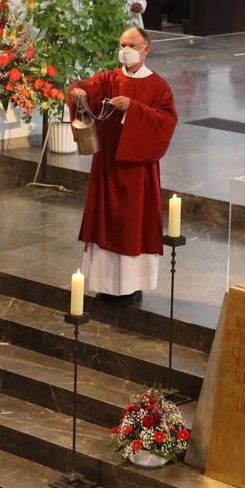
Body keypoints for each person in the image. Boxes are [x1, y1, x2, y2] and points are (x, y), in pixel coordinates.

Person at [68, 27, 178, 304]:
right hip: (107, 166)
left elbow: (166, 122)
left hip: (137, 171)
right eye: (122, 45)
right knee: (105, 223)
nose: (125, 50)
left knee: (132, 225)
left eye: (131, 45)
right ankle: (105, 284)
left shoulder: (158, 86)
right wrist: (79, 93)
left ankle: (131, 286)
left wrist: (133, 107)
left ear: (146, 49)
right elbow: (86, 88)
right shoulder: (109, 79)